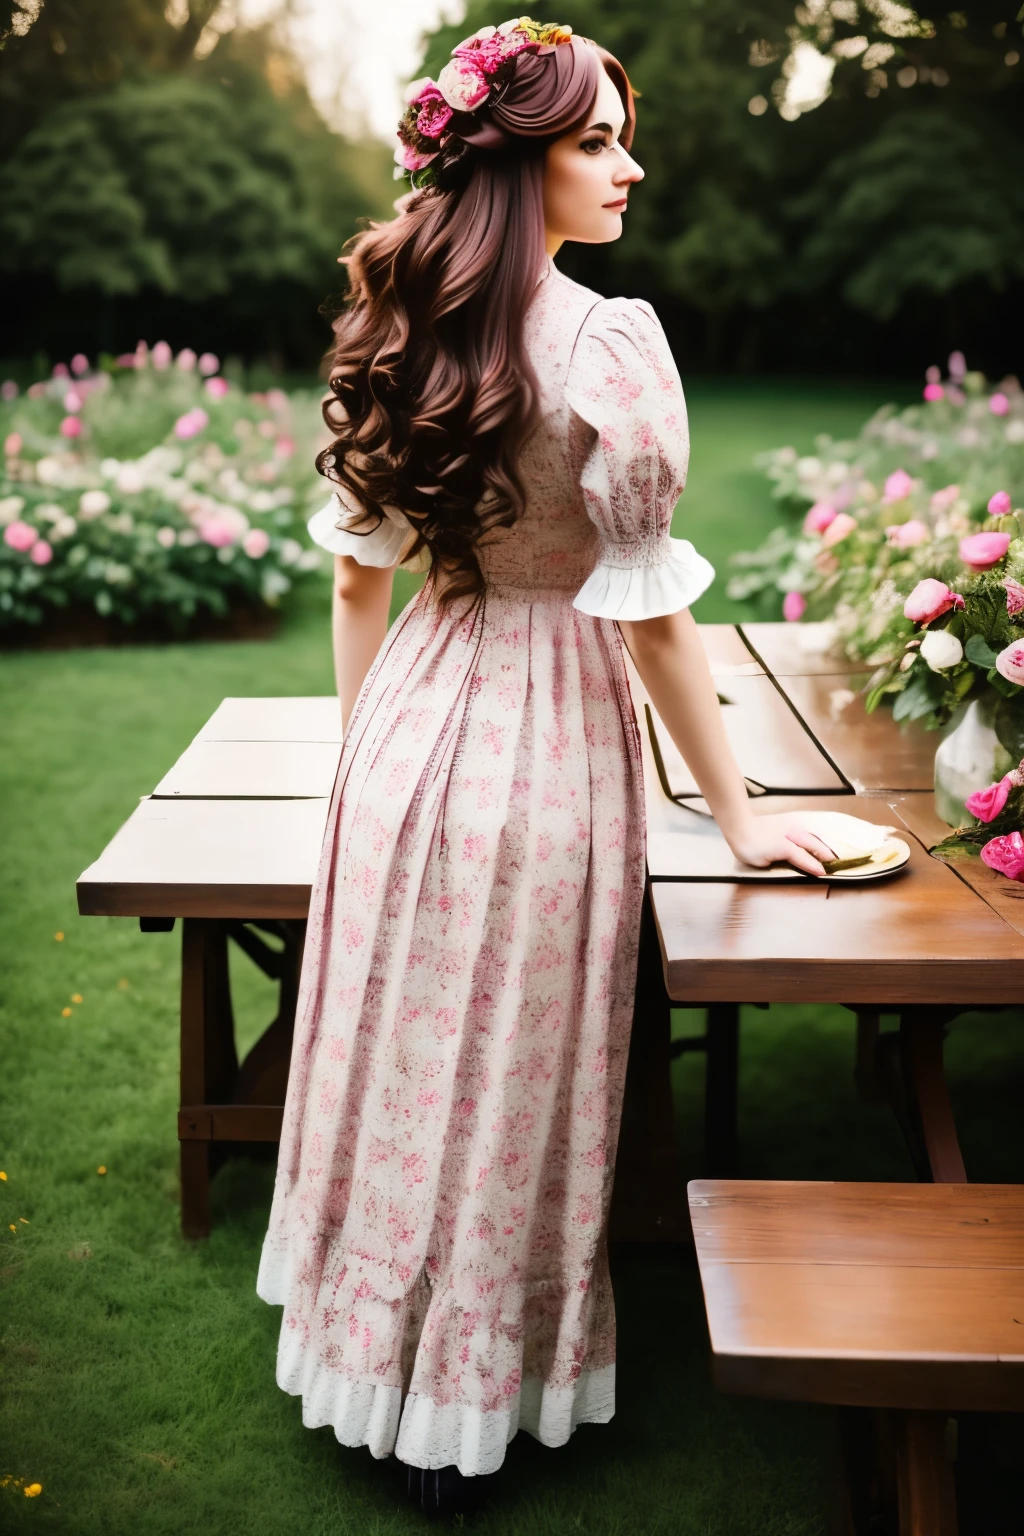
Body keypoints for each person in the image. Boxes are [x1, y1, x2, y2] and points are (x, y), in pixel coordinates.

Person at [257, 17, 834, 1519]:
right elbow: (649, 630)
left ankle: (364, 1362)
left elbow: (354, 583)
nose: (628, 162)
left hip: (402, 733)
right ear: (517, 167)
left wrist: (363, 761)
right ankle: (463, 1415)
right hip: (542, 744)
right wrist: (740, 814)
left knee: (399, 1063)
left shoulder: (404, 330)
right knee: (510, 1077)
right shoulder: (607, 345)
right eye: (596, 139)